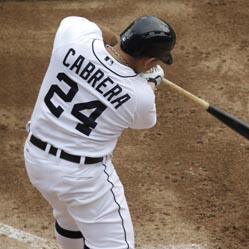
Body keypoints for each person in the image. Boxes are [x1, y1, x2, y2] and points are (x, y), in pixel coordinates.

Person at [23, 15, 176, 249]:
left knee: (69, 219)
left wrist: (118, 43)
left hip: (37, 159)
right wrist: (151, 83)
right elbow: (144, 122)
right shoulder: (140, 97)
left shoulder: (73, 37)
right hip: (83, 180)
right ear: (150, 61)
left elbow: (87, 25)